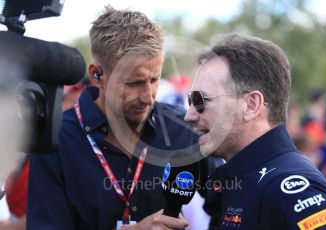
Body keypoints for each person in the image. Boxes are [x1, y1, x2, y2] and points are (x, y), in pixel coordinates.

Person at [27, 6, 220, 230]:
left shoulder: (185, 128)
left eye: (155, 79)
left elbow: (230, 207)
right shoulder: (55, 139)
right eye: (134, 82)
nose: (148, 97)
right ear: (97, 75)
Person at [183, 33, 326, 229]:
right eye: (190, 100)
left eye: (200, 101)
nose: (189, 115)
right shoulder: (241, 178)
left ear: (251, 105)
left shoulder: (291, 188)